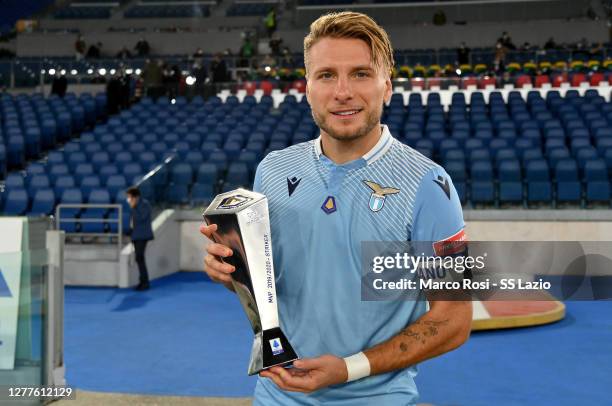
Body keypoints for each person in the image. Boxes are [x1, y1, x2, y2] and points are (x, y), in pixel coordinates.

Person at [200, 11, 471, 405]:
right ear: (307, 88)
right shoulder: (272, 171)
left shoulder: (430, 185)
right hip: (276, 395)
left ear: (387, 86)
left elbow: (455, 319)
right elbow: (272, 284)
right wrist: (230, 271)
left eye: (361, 74)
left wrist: (349, 368)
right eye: (326, 75)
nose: (342, 91)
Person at [127, 187, 153, 291]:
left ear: (135, 197)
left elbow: (140, 218)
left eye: (129, 197)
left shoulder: (144, 204)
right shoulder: (135, 205)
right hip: (136, 235)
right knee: (139, 258)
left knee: (139, 257)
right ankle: (142, 281)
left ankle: (145, 282)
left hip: (142, 235)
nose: (128, 199)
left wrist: (133, 208)